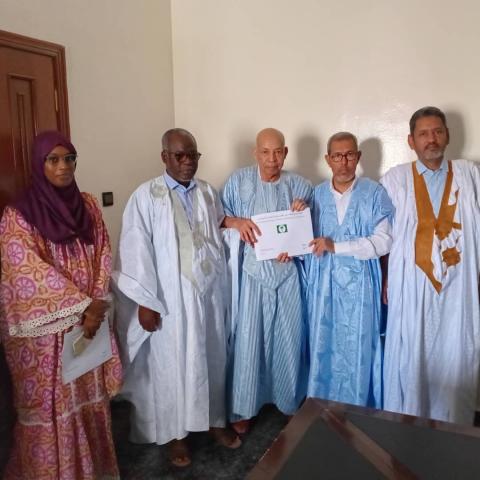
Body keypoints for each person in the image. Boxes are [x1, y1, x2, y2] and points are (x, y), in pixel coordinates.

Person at [113, 128, 240, 468]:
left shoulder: (208, 192)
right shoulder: (146, 196)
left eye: (193, 155)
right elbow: (135, 250)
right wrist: (145, 302)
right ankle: (175, 435)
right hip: (168, 301)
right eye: (180, 155)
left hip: (208, 296)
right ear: (164, 157)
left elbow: (218, 232)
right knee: (172, 365)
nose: (187, 162)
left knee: (212, 358)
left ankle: (214, 421)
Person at [0, 131, 122, 479]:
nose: (63, 166)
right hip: (45, 333)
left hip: (88, 325)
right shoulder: (18, 215)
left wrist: (96, 304)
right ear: (39, 165)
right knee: (52, 404)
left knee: (86, 396)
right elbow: (25, 269)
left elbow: (102, 252)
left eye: (69, 158)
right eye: (53, 160)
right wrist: (82, 306)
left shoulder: (89, 206)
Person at [381, 106, 480, 424]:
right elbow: (382, 235)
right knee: (412, 353)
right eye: (423, 134)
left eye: (437, 131)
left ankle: (454, 428)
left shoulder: (469, 174)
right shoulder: (395, 179)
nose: (431, 139)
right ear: (411, 141)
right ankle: (410, 427)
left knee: (456, 352)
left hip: (461, 285)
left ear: (447, 135)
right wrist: (385, 277)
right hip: (411, 286)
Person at [222, 128, 312, 433]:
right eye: (265, 152)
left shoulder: (300, 186)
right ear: (255, 152)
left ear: (285, 153)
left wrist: (303, 216)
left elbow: (312, 232)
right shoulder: (238, 182)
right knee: (250, 339)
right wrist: (236, 222)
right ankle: (244, 407)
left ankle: (288, 402)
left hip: (287, 276)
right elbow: (217, 217)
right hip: (252, 275)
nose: (272, 159)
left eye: (277, 152)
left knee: (288, 337)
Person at [306, 132, 393, 408]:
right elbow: (302, 241)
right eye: (337, 156)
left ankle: (360, 411)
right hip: (323, 287)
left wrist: (337, 246)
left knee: (358, 346)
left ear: (358, 157)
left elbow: (384, 241)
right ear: (327, 159)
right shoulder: (315, 196)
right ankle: (321, 409)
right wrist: (295, 216)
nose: (343, 162)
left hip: (362, 286)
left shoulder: (374, 193)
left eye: (349, 155)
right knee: (325, 344)